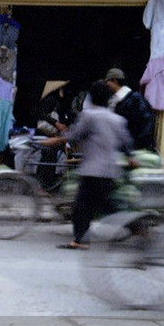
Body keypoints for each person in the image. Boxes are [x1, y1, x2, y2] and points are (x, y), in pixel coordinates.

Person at [39, 79, 132, 250]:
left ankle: (80, 240)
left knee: (82, 207)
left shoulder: (90, 116)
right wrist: (130, 157)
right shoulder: (117, 119)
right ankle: (140, 228)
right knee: (109, 207)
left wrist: (54, 140)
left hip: (93, 170)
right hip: (110, 170)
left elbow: (74, 135)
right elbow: (126, 142)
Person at [103, 68, 156, 152]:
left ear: (115, 81)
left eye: (108, 81)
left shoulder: (135, 99)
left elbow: (146, 122)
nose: (106, 84)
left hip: (133, 150)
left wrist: (136, 145)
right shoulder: (115, 100)